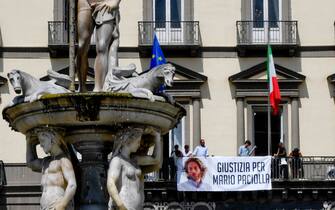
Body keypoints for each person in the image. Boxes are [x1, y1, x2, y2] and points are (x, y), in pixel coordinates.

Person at [107, 126, 161, 210]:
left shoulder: (135, 161)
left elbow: (157, 161)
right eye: (138, 141)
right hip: (125, 206)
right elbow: (110, 184)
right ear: (129, 141)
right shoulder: (117, 160)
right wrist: (121, 206)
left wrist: (157, 137)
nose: (139, 145)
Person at [26, 128, 77, 210]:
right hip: (45, 207)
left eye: (42, 141)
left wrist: (62, 205)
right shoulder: (46, 161)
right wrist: (29, 142)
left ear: (52, 140)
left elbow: (72, 185)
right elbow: (30, 163)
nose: (41, 145)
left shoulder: (63, 160)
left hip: (57, 206)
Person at [77, 0, 121, 92]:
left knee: (102, 45)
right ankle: (82, 86)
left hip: (105, 3)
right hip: (85, 2)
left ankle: (98, 88)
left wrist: (115, 1)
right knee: (81, 45)